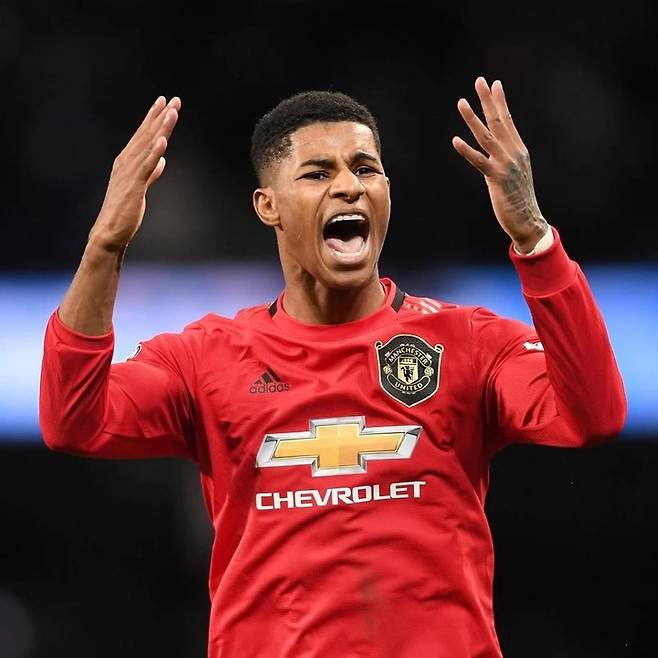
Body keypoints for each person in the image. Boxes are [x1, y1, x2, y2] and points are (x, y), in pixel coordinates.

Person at [39, 78, 626, 658]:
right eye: (318, 173)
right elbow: (72, 420)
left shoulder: (468, 341)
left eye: (366, 169)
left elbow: (594, 416)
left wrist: (534, 237)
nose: (349, 186)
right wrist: (106, 243)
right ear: (268, 206)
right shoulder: (205, 357)